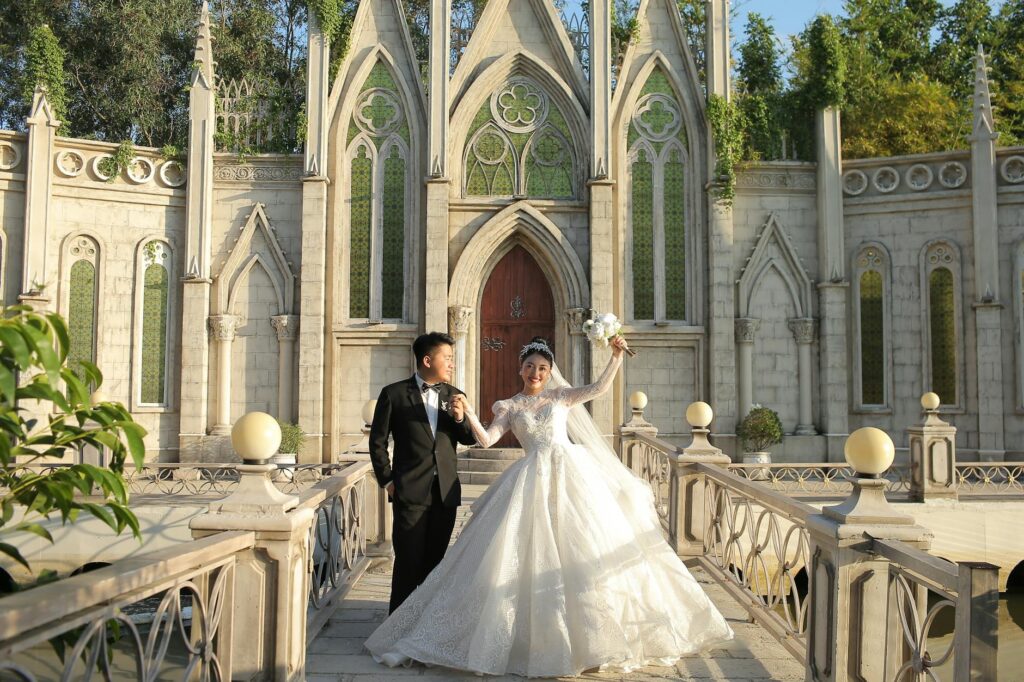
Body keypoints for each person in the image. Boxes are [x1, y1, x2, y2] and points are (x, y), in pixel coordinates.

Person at [365, 335, 733, 677]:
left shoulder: (561, 398)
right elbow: (487, 440)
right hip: (529, 478)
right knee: (516, 551)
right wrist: (472, 416)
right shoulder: (508, 406)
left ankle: (591, 635)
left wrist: (615, 357)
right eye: (530, 366)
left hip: (571, 477)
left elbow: (600, 389)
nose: (536, 373)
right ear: (520, 368)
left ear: (549, 371)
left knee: (583, 546)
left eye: (542, 367)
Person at [368, 332, 478, 613]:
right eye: (448, 358)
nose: (452, 364)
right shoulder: (393, 394)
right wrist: (388, 481)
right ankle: (397, 630)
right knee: (407, 562)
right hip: (410, 491)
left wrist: (459, 417)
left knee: (436, 564)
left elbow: (468, 439)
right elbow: (378, 442)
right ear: (427, 360)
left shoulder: (453, 394)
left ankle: (425, 628)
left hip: (445, 492)